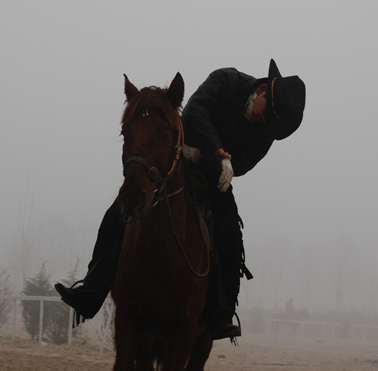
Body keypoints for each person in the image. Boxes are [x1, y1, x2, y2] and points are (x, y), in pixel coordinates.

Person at [55, 59, 305, 340]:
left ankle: (221, 313)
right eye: (263, 116)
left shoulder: (268, 129)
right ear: (262, 90)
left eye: (268, 124)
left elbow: (245, 162)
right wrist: (219, 153)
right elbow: (196, 111)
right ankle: (90, 292)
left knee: (230, 235)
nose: (262, 123)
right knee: (117, 214)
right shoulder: (226, 80)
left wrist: (214, 162)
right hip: (173, 162)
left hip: (214, 178)